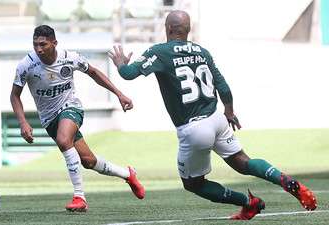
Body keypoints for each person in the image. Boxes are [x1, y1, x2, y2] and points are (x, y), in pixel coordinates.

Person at [108, 10, 317, 220]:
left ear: (168, 28)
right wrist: (229, 111)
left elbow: (128, 74)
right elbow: (223, 86)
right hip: (216, 118)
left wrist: (120, 64)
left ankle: (247, 202)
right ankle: (285, 180)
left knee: (193, 183)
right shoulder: (202, 51)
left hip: (193, 129)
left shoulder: (160, 52)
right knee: (243, 162)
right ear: (188, 30)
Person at [10, 25, 145, 212]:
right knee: (89, 161)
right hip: (49, 119)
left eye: (43, 44)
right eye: (35, 45)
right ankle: (128, 175)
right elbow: (14, 95)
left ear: (54, 43)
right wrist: (23, 122)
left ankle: (79, 197)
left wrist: (119, 94)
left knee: (64, 140)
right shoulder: (26, 65)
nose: (39, 49)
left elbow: (94, 73)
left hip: (71, 107)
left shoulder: (70, 58)